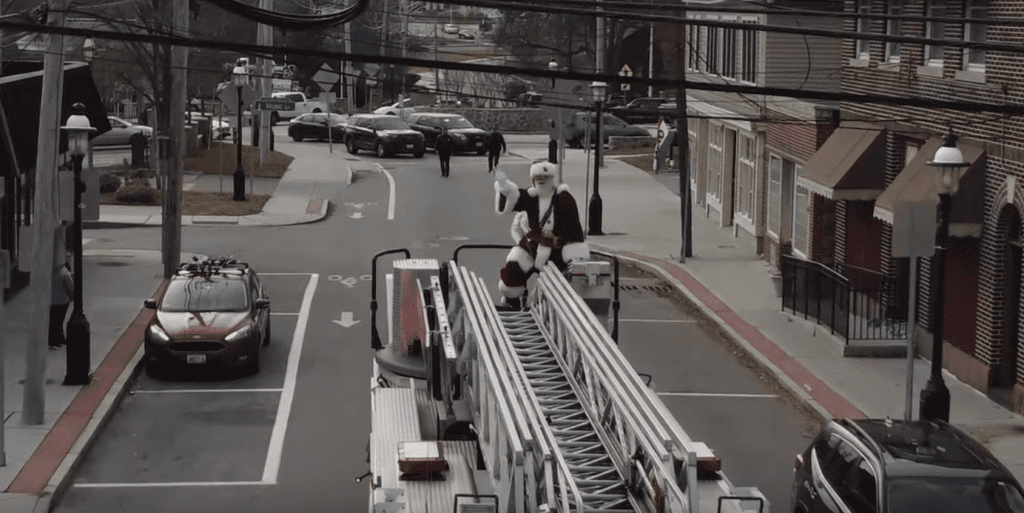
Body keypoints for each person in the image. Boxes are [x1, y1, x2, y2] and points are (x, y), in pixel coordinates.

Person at [494, 161, 589, 309]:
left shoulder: (565, 199)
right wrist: (504, 187)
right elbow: (514, 199)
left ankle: (557, 310)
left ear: (552, 179)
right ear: (533, 180)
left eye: (545, 177)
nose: (541, 181)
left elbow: (574, 229)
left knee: (560, 285)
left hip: (557, 251)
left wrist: (574, 255)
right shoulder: (531, 196)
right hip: (533, 246)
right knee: (513, 268)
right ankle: (512, 303)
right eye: (537, 177)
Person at [50, 262, 74, 349]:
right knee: (59, 321)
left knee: (54, 321)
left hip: (52, 302)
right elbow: (71, 287)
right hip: (63, 302)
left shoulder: (50, 271)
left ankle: (55, 339)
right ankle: (57, 339)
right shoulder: (65, 273)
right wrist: (72, 298)